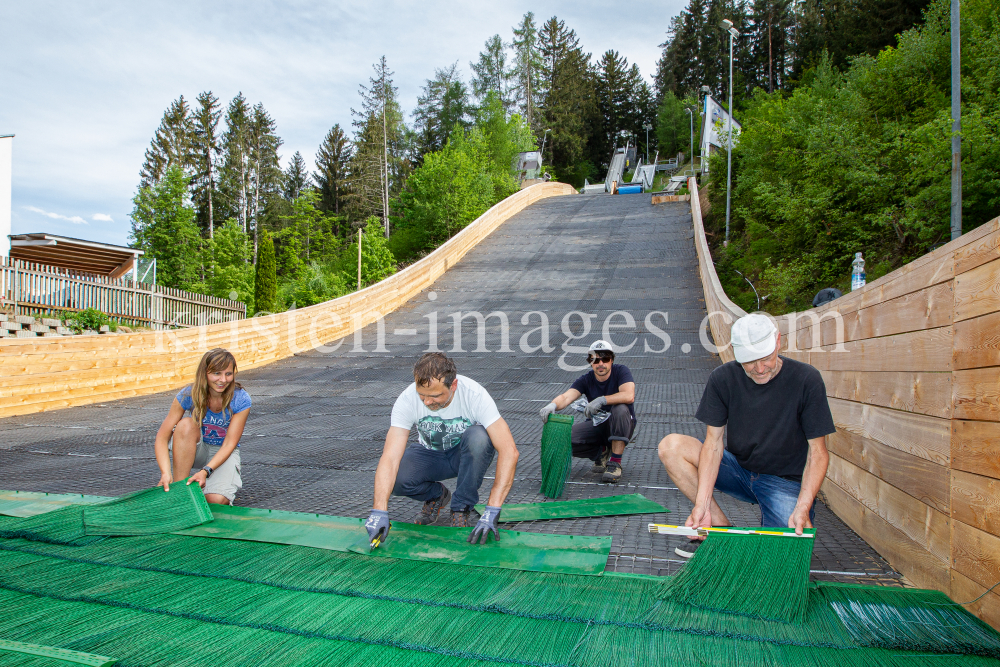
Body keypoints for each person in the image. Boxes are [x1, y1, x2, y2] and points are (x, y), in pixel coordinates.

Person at [657, 313, 834, 558]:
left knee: (784, 556)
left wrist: (803, 506)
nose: (759, 369)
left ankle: (788, 518)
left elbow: (818, 453)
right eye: (749, 361)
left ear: (778, 342)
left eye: (765, 358)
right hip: (739, 470)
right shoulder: (722, 378)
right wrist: (702, 504)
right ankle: (718, 524)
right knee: (671, 446)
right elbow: (714, 444)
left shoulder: (806, 379)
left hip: (785, 482)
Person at [366, 352, 519, 547]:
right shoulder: (407, 399)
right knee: (395, 479)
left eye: (435, 395)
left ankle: (461, 507)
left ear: (453, 386)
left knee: (479, 437)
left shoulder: (474, 394)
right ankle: (437, 495)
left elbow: (509, 451)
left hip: (464, 456)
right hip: (430, 455)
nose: (427, 402)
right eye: (422, 395)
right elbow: (390, 457)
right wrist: (379, 510)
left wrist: (492, 508)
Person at [154, 348, 251, 505]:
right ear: (205, 373)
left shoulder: (240, 398)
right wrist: (165, 473)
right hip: (196, 448)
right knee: (186, 424)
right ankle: (181, 491)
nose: (223, 379)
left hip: (222, 451)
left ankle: (202, 489)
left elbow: (229, 444)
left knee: (216, 501)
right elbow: (161, 437)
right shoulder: (188, 394)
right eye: (216, 373)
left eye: (228, 374)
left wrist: (206, 471)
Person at [539, 340, 636, 483]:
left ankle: (615, 462)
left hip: (622, 424)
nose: (600, 363)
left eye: (605, 359)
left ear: (612, 360)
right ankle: (601, 452)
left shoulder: (621, 371)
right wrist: (552, 405)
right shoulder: (586, 379)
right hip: (598, 426)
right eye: (595, 360)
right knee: (565, 438)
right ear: (590, 362)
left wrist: (602, 400)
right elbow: (566, 397)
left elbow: (628, 395)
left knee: (620, 409)